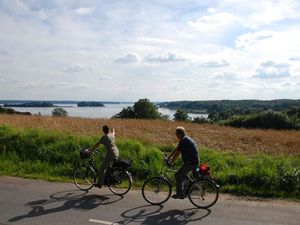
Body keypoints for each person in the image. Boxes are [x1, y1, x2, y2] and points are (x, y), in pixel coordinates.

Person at [167, 126, 199, 199]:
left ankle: (180, 194)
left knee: (178, 175)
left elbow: (177, 153)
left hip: (191, 163)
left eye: (176, 133)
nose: (175, 135)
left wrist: (171, 162)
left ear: (180, 134)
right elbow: (176, 149)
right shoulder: (185, 139)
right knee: (182, 173)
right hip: (191, 161)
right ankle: (189, 186)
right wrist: (169, 157)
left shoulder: (184, 140)